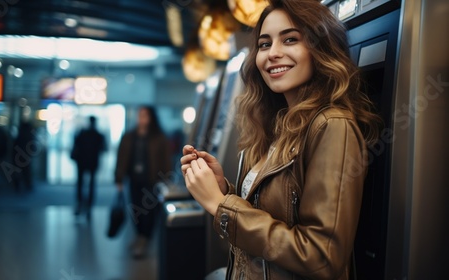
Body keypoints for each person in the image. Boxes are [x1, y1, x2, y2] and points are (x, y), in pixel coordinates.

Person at [180, 0, 382, 279]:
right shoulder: (277, 124)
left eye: (290, 40)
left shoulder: (332, 125)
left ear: (319, 48)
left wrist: (221, 205)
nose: (273, 53)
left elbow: (322, 257)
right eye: (264, 44)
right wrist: (223, 190)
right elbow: (273, 214)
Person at [115, 106, 172, 258]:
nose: (141, 118)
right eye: (139, 115)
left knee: (148, 211)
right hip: (134, 179)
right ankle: (139, 236)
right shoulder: (129, 136)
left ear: (151, 117)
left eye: (144, 115)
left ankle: (145, 239)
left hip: (151, 180)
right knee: (135, 209)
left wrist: (166, 179)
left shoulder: (158, 137)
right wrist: (119, 179)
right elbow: (121, 158)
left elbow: (165, 159)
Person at [71, 116, 107, 218]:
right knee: (89, 185)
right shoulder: (98, 135)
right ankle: (87, 205)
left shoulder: (83, 133)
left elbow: (76, 144)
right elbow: (103, 148)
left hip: (83, 162)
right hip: (91, 163)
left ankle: (80, 203)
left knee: (81, 184)